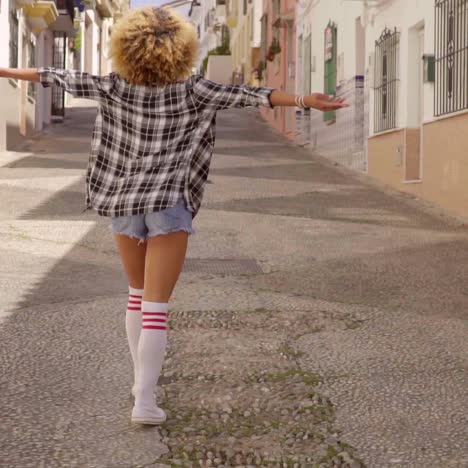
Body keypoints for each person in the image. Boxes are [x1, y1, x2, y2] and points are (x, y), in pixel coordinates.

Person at [0, 6, 348, 426]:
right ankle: (144, 401)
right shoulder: (194, 90)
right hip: (169, 203)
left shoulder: (113, 86)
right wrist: (305, 100)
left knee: (136, 295)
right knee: (156, 307)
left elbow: (49, 75)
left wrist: (4, 71)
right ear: (181, 51)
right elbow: (254, 96)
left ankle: (139, 387)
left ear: (127, 49)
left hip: (123, 203)